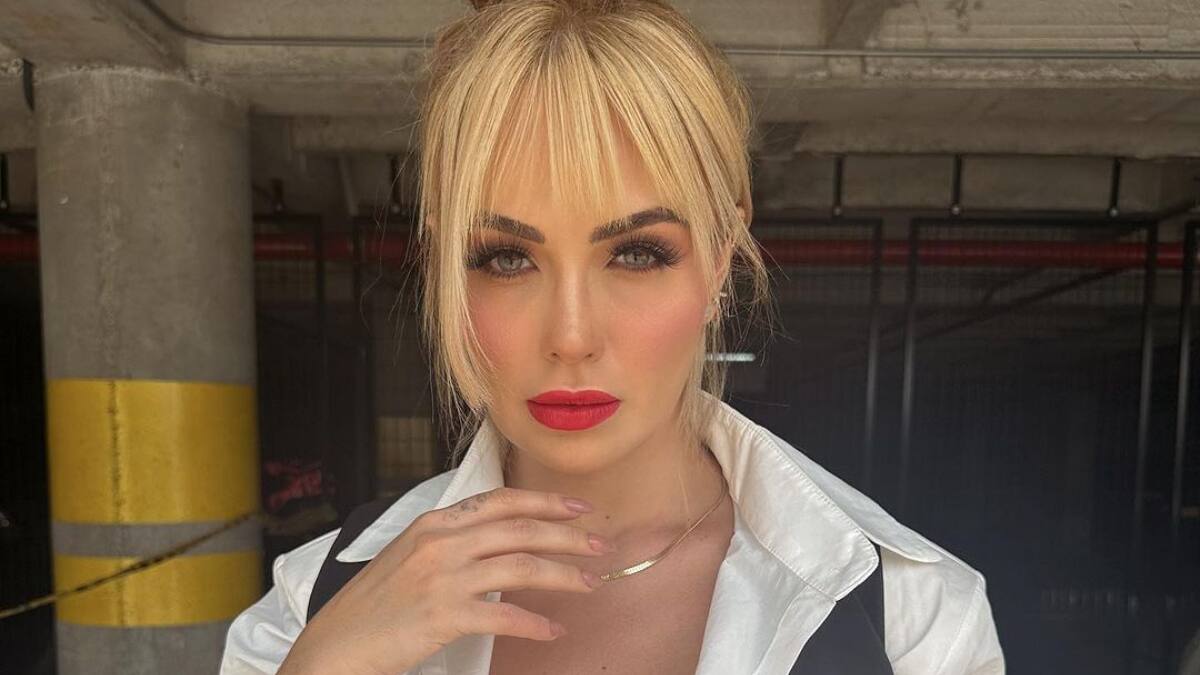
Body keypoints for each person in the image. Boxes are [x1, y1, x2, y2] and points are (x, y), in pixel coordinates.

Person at [221, 0, 1006, 673]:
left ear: (721, 259)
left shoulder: (911, 621)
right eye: (506, 257)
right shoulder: (313, 604)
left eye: (636, 253)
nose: (571, 336)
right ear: (445, 261)